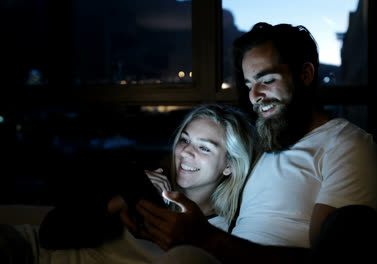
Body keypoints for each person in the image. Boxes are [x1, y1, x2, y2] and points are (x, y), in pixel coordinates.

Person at [119, 22, 377, 263]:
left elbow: (326, 262)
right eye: (248, 84)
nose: (254, 95)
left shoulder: (346, 146)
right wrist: (147, 189)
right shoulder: (265, 139)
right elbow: (193, 157)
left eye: (267, 80)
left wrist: (206, 239)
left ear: (305, 74)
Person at [1, 104, 255, 264]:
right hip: (28, 250)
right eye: (185, 140)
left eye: (203, 147)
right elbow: (51, 233)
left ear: (229, 165)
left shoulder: (219, 232)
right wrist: (122, 199)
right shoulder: (139, 181)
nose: (186, 152)